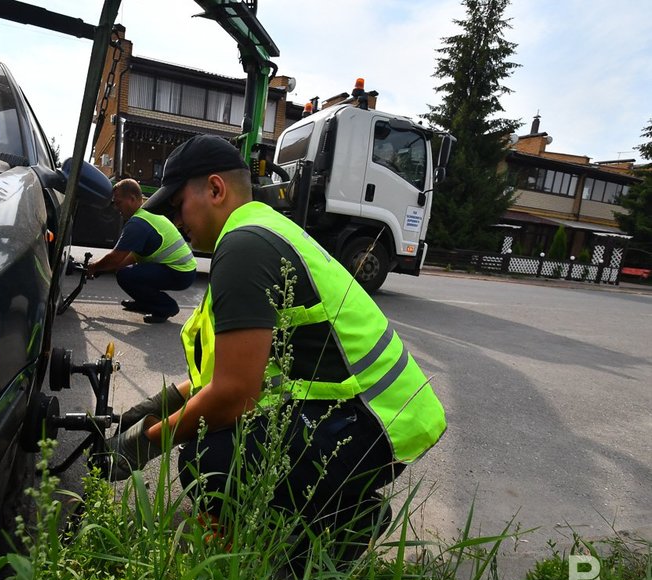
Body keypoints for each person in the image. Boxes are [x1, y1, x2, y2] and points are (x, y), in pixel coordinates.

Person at [103, 135, 447, 558]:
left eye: (177, 205)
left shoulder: (244, 246)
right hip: (379, 417)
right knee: (228, 445)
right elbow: (240, 373)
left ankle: (334, 516)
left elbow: (233, 395)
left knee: (207, 454)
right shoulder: (262, 229)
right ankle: (338, 511)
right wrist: (158, 405)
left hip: (368, 423)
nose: (176, 219)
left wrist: (147, 441)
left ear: (215, 189)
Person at [87, 178, 196, 323]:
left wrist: (93, 267)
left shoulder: (138, 223)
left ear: (132, 199)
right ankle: (146, 303)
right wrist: (101, 269)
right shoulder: (147, 214)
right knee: (126, 272)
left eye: (118, 202)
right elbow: (128, 259)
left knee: (125, 276)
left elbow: (116, 257)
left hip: (180, 272)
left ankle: (166, 306)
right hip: (183, 271)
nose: (116, 208)